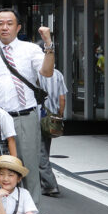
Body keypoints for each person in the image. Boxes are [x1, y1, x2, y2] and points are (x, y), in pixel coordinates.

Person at [0, 8, 54, 205]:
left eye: (9, 23)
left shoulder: (31, 49)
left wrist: (48, 45)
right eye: (0, 23)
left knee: (27, 169)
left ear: (18, 27)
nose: (5, 27)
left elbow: (46, 72)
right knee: (1, 171)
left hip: (24, 117)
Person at [38, 68, 67, 197]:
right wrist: (60, 115)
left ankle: (50, 185)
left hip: (39, 115)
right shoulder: (58, 74)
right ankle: (43, 181)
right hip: (52, 117)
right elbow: (62, 98)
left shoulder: (36, 73)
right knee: (45, 149)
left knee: (40, 151)